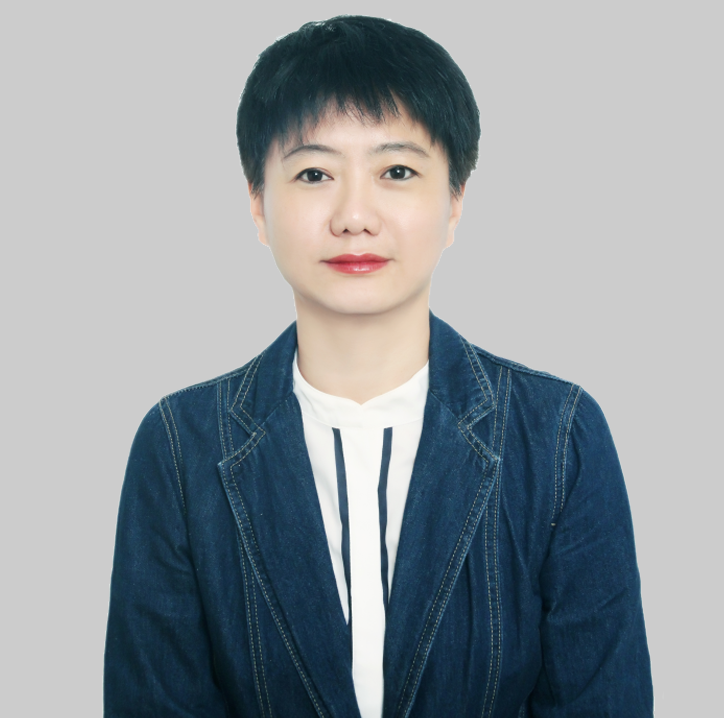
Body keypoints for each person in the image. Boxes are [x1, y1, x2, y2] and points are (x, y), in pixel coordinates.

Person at [104, 15, 653, 717]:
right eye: (314, 173)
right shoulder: (180, 446)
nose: (354, 216)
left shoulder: (556, 437)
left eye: (397, 171)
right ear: (257, 204)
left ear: (454, 201)